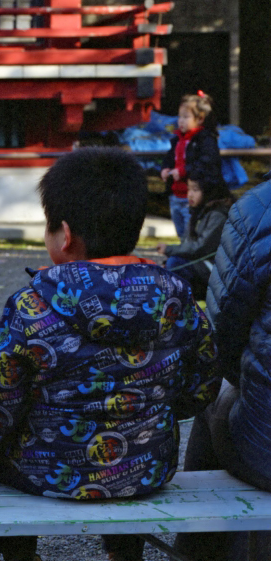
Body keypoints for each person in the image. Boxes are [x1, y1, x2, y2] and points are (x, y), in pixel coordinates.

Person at [0, 148, 219, 561]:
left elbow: (0, 403)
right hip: (147, 467)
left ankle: (20, 554)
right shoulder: (177, 296)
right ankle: (124, 553)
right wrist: (153, 411)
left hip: (42, 470)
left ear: (66, 234)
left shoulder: (30, 306)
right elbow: (203, 385)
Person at [174, 176, 271, 561]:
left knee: (214, 400)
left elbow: (221, 338)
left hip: (266, 451)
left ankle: (193, 553)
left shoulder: (257, 207)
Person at [157, 170, 232, 300]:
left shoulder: (218, 215)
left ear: (208, 191)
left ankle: (195, 294)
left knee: (175, 263)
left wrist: (170, 250)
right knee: (168, 266)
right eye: (188, 190)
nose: (190, 195)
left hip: (215, 269)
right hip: (201, 263)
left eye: (195, 190)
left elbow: (201, 247)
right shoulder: (198, 212)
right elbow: (187, 243)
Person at [160, 91, 223, 238]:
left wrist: (184, 171)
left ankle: (188, 258)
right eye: (179, 116)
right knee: (181, 232)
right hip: (176, 195)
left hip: (194, 198)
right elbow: (170, 157)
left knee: (192, 235)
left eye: (186, 117)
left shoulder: (205, 140)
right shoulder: (177, 139)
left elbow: (207, 163)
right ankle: (182, 256)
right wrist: (165, 168)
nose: (180, 121)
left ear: (200, 119)